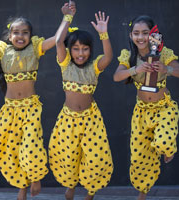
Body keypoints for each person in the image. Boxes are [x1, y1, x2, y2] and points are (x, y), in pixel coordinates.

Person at [0, 2, 76, 199]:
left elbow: (57, 39)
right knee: (10, 149)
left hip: (30, 108)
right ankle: (22, 188)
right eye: (16, 33)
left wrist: (67, 17)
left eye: (25, 32)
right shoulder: (3, 50)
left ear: (30, 35)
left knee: (30, 146)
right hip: (10, 109)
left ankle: (35, 178)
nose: (20, 36)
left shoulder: (36, 48)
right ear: (10, 36)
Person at [113, 15, 179, 200]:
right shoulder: (129, 55)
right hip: (141, 112)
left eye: (145, 33)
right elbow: (117, 76)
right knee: (140, 157)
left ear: (153, 35)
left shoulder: (164, 53)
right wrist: (135, 70)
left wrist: (166, 69)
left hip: (163, 108)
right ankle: (143, 193)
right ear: (131, 35)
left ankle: (168, 148)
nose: (141, 37)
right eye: (136, 33)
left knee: (163, 142)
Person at [48, 4, 113, 200]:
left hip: (91, 120)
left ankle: (91, 190)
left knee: (93, 158)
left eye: (85, 49)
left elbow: (109, 57)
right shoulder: (65, 64)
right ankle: (71, 185)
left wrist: (104, 34)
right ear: (70, 50)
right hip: (68, 119)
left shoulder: (94, 66)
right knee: (68, 156)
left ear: (90, 50)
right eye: (76, 49)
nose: (80, 53)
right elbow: (59, 41)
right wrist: (68, 17)